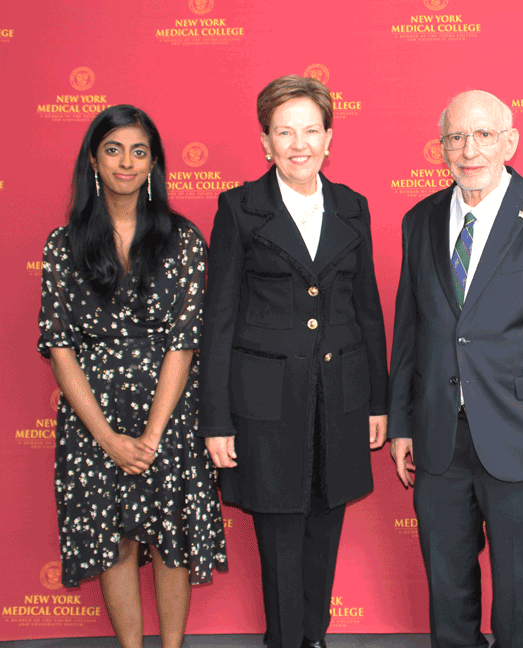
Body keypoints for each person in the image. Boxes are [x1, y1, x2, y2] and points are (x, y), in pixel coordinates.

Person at [388, 90, 523, 648]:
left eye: (483, 135)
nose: (469, 149)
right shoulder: (420, 219)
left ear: (510, 141)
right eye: (456, 137)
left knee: (521, 595)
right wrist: (402, 423)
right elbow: (409, 331)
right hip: (438, 438)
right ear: (441, 149)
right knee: (448, 592)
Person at [198, 75, 389, 648]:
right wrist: (216, 419)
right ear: (265, 143)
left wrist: (378, 401)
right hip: (265, 408)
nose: (298, 144)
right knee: (280, 541)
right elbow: (219, 320)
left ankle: (315, 637)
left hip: (341, 398)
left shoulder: (353, 207)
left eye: (311, 130)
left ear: (330, 138)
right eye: (285, 132)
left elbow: (369, 311)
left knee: (325, 530)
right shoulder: (238, 209)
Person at [38, 104, 227, 648]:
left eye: (139, 151)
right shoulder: (62, 245)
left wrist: (150, 435)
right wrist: (107, 438)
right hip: (92, 417)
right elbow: (60, 346)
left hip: (167, 414)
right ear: (93, 161)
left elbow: (185, 341)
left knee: (172, 540)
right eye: (114, 149)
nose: (126, 162)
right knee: (113, 541)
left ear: (154, 165)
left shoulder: (184, 240)